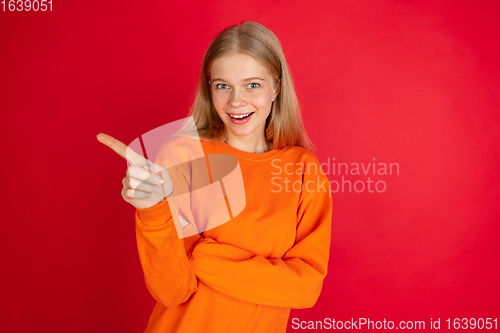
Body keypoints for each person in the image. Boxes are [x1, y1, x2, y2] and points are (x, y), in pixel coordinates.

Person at [97, 20, 332, 333]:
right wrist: (152, 210)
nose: (236, 102)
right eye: (223, 85)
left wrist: (201, 254)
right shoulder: (182, 154)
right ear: (209, 89)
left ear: (276, 87)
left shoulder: (302, 170)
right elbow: (172, 291)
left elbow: (305, 289)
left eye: (253, 85)